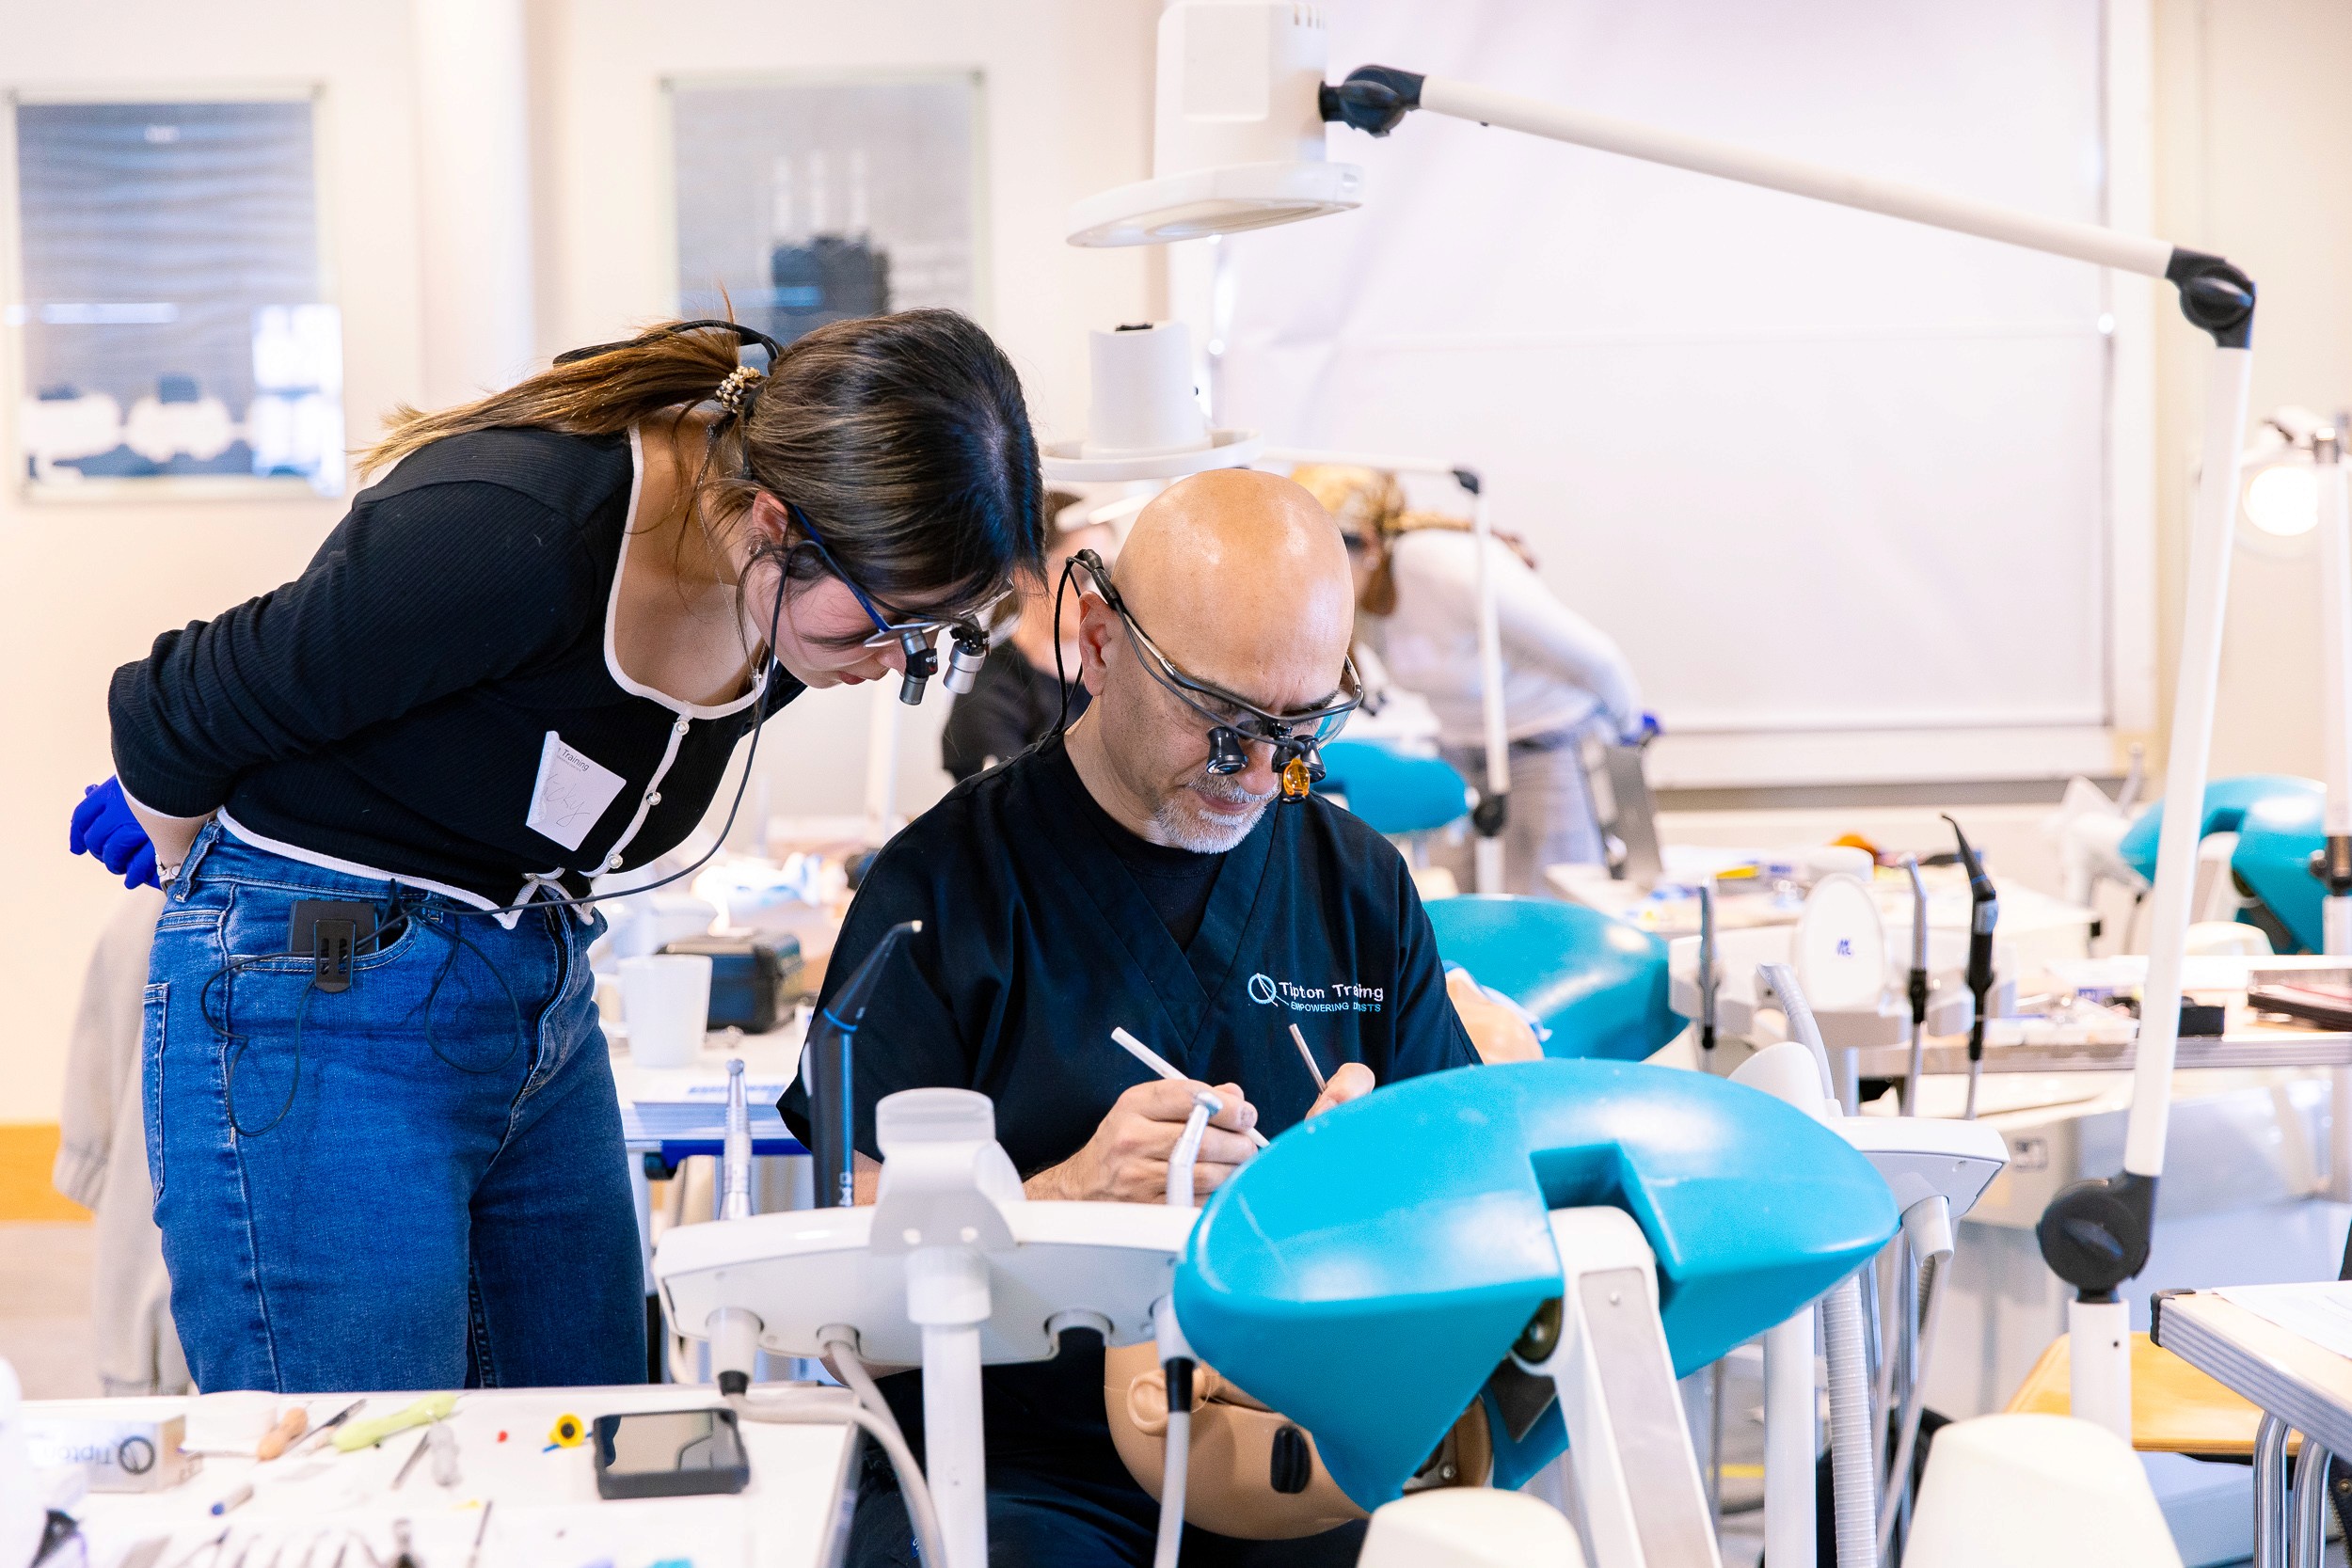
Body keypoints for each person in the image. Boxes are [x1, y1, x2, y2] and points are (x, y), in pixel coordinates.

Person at [75, 310, 1044, 1394]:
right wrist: (199, 878)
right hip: (319, 994)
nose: (891, 660)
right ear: (774, 518)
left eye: (935, 639)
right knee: (364, 1455)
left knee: (585, 1431)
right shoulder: (516, 529)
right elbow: (173, 708)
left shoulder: (784, 603)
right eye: (886, 624)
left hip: (532, 984)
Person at [781, 467, 1480, 1568]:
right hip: (1022, 1470)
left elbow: (1464, 1204)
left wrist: (1373, 1179)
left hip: (1293, 1458)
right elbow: (840, 1316)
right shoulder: (942, 893)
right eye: (1219, 718)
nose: (1257, 769)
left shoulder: (1355, 886)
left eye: (1302, 725)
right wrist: (1059, 1200)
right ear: (1098, 641)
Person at [1294, 465, 1654, 896]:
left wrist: (1630, 732)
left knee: (1551, 906)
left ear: (1368, 542)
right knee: (1452, 906)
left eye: (1325, 556)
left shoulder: (1443, 564)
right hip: (1461, 751)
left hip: (1547, 745)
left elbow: (1597, 656)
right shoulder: (1360, 599)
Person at [939, 493, 1113, 782]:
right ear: (1026, 576)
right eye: (1083, 575)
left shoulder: (1124, 673)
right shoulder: (990, 691)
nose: (1099, 594)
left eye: (1107, 573)